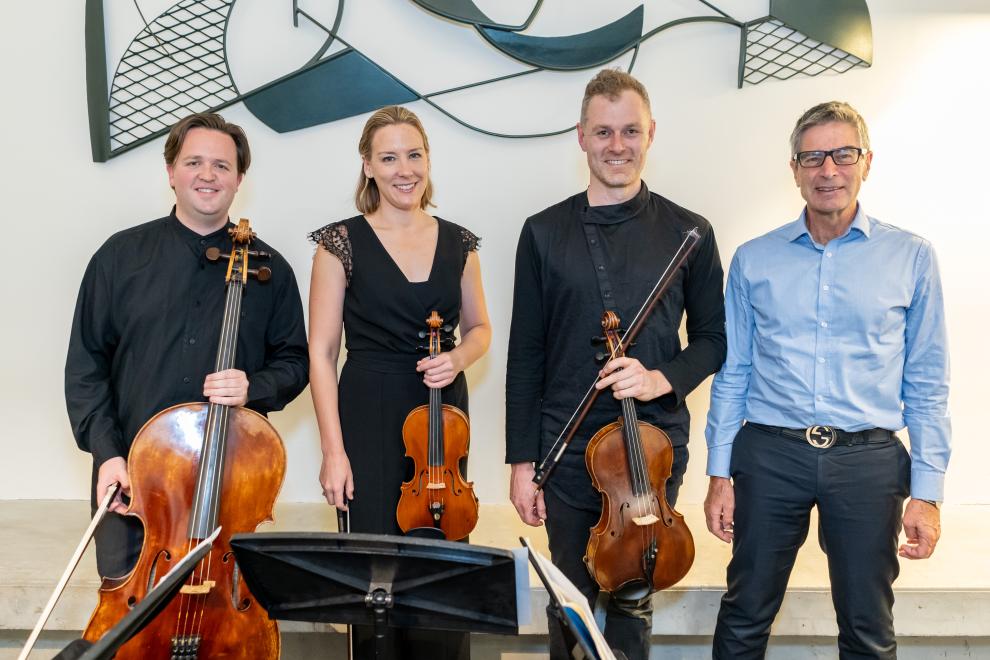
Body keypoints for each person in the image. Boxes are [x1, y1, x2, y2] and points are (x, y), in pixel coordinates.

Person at [704, 101, 950, 659]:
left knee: (867, 627)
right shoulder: (754, 259)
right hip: (769, 454)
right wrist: (720, 472)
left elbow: (928, 382)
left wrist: (928, 493)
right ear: (794, 169)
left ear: (866, 162)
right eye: (812, 157)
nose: (828, 170)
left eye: (842, 154)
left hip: (869, 461)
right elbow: (733, 371)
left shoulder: (910, 257)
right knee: (744, 617)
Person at [505, 69, 727, 660]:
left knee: (633, 599)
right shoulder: (543, 232)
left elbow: (713, 340)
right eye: (603, 132)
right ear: (581, 136)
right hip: (567, 446)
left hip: (650, 451)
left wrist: (661, 378)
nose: (617, 145)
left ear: (650, 133)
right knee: (569, 604)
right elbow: (525, 354)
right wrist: (522, 462)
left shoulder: (690, 233)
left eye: (630, 130)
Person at [65, 112, 309, 579]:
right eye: (194, 162)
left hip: (228, 481)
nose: (207, 174)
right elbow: (86, 367)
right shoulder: (119, 257)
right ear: (171, 172)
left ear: (239, 179)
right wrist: (107, 454)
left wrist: (253, 386)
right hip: (132, 478)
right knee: (128, 629)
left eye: (221, 165)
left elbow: (295, 361)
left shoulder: (270, 269)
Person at [308, 105, 491, 659]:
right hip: (367, 414)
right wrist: (333, 453)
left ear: (428, 160)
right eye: (388, 157)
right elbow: (320, 353)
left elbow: (481, 330)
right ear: (367, 166)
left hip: (441, 421)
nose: (403, 169)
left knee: (440, 579)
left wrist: (457, 358)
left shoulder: (460, 241)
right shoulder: (338, 243)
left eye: (413, 155)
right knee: (375, 585)